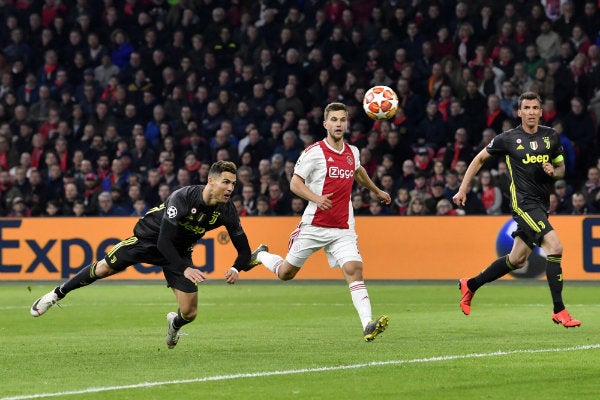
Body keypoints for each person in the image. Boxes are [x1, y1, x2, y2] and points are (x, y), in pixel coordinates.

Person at [30, 161, 257, 348]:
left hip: (178, 252)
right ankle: (55, 295)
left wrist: (237, 267)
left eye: (233, 184)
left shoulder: (226, 210)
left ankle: (174, 325)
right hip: (148, 240)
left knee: (189, 312)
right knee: (103, 268)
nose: (230, 188)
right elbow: (163, 241)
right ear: (211, 181)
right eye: (225, 182)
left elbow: (244, 249)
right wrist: (185, 268)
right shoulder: (183, 198)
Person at [248, 102, 391, 341]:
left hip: (343, 228)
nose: (338, 124)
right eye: (334, 120)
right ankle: (261, 255)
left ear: (347, 123)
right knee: (286, 273)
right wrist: (317, 198)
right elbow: (295, 183)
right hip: (313, 226)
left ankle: (367, 324)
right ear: (325, 124)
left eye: (342, 120)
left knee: (354, 270)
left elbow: (358, 171)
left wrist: (377, 191)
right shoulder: (314, 152)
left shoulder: (352, 152)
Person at [453, 91, 580, 328]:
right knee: (555, 246)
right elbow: (479, 159)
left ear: (541, 112)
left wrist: (554, 171)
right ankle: (559, 310)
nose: (531, 112)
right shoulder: (508, 139)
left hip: (541, 204)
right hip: (523, 204)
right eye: (527, 108)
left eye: (535, 108)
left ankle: (470, 285)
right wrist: (463, 189)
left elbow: (561, 169)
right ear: (519, 112)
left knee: (517, 260)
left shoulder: (551, 136)